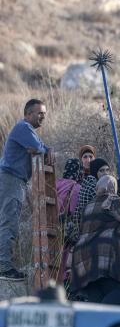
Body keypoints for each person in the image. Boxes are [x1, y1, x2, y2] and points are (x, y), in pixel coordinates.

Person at [0, 99, 52, 280]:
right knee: (9, 222)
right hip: (11, 180)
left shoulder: (26, 130)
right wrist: (47, 149)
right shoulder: (23, 128)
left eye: (44, 114)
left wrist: (44, 149)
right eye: (39, 113)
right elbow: (37, 147)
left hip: (14, 180)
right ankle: (4, 268)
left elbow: (37, 147)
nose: (43, 117)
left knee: (8, 221)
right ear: (28, 114)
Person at [71, 175, 120, 305]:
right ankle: (103, 321)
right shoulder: (113, 200)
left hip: (86, 262)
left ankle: (95, 323)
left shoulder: (88, 206)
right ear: (113, 188)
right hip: (108, 259)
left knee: (97, 301)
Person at [73, 158, 111, 224]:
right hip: (90, 225)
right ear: (95, 172)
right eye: (101, 171)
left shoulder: (88, 182)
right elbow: (106, 209)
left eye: (107, 170)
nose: (105, 173)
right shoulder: (94, 186)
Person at [56, 159, 84, 244]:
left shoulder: (56, 183)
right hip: (68, 227)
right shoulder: (79, 188)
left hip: (53, 223)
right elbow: (74, 210)